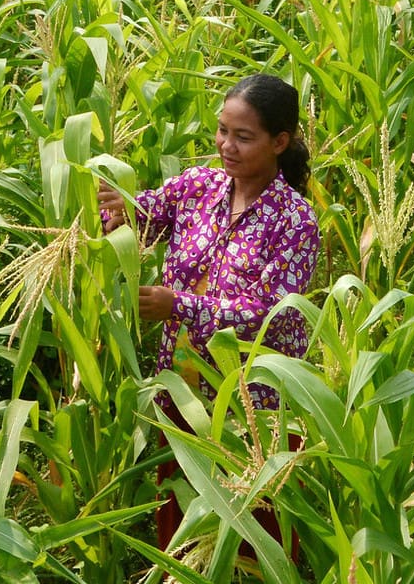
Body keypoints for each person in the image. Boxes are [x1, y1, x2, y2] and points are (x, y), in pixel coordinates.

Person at [97, 72, 319, 552]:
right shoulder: (199, 186)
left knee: (254, 534)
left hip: (252, 402)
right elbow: (146, 216)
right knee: (181, 520)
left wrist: (179, 305)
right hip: (183, 388)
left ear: (279, 142)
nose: (226, 146)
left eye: (243, 137)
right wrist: (118, 213)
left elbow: (272, 314)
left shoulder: (294, 221)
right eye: (222, 131)